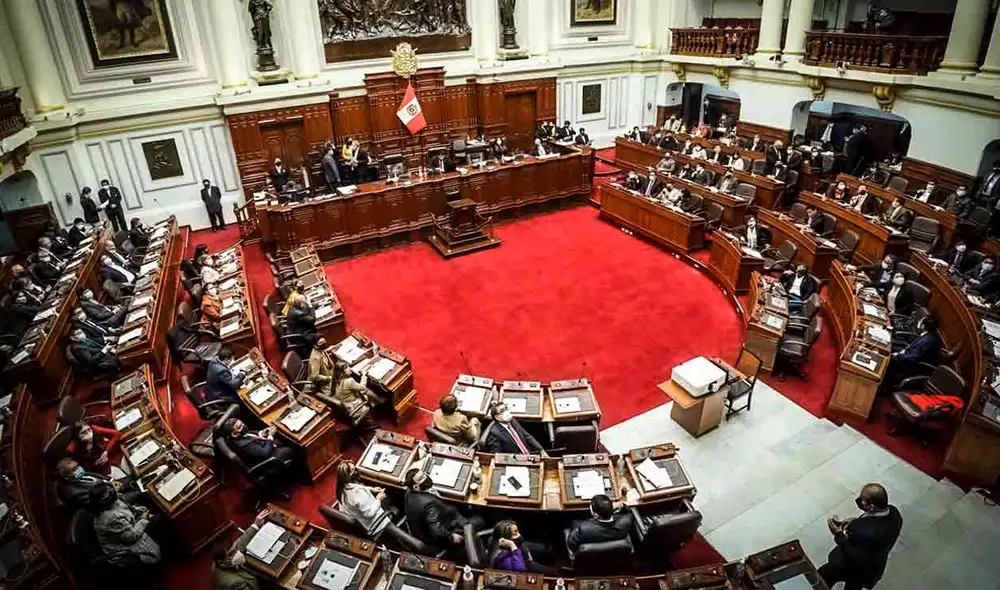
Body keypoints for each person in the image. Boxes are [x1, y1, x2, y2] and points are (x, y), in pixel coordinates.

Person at [818, 483, 902, 590]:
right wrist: (856, 521)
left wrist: (838, 534)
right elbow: (872, 520)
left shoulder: (866, 534)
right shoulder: (894, 513)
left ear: (872, 506)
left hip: (853, 566)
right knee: (854, 586)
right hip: (872, 567)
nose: (859, 500)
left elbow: (853, 555)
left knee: (823, 576)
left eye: (862, 500)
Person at [404, 467, 476, 552]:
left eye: (424, 474)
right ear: (416, 487)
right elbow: (437, 532)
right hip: (447, 528)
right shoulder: (430, 506)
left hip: (422, 529)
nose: (425, 476)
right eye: (421, 478)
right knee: (481, 520)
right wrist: (451, 538)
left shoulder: (409, 491)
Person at [91, 484, 161, 567]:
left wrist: (135, 509)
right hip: (124, 547)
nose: (111, 492)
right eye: (107, 493)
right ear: (102, 501)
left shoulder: (110, 502)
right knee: (158, 520)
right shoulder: (110, 519)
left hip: (126, 529)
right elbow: (131, 537)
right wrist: (143, 519)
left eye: (109, 489)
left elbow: (121, 507)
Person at [309, 339, 376, 426]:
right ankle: (377, 404)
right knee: (368, 393)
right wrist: (364, 376)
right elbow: (363, 388)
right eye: (347, 368)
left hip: (345, 406)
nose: (349, 368)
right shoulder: (348, 381)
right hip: (354, 408)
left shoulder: (335, 382)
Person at [222, 418, 296, 492]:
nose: (243, 426)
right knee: (289, 449)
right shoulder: (243, 446)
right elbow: (265, 453)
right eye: (240, 427)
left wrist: (262, 433)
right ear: (233, 434)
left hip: (260, 448)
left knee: (280, 440)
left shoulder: (235, 436)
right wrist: (270, 437)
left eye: (242, 423)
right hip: (266, 461)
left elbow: (250, 435)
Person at [335, 461, 392, 538]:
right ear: (348, 475)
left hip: (361, 520)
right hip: (376, 524)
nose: (356, 471)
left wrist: (371, 489)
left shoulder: (341, 488)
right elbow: (369, 514)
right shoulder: (357, 494)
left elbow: (355, 486)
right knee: (390, 497)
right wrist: (378, 499)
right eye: (353, 470)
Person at [566, 494, 633, 555]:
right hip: (614, 557)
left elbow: (571, 544)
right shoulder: (626, 522)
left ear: (595, 514)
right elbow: (629, 512)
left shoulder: (584, 529)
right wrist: (622, 505)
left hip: (589, 559)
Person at [488, 520, 554, 574]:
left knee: (546, 549)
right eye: (515, 533)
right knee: (552, 572)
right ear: (506, 539)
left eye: (517, 531)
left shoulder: (512, 543)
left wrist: (527, 551)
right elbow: (520, 570)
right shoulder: (502, 557)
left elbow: (521, 544)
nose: (519, 535)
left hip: (524, 556)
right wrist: (512, 545)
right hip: (525, 566)